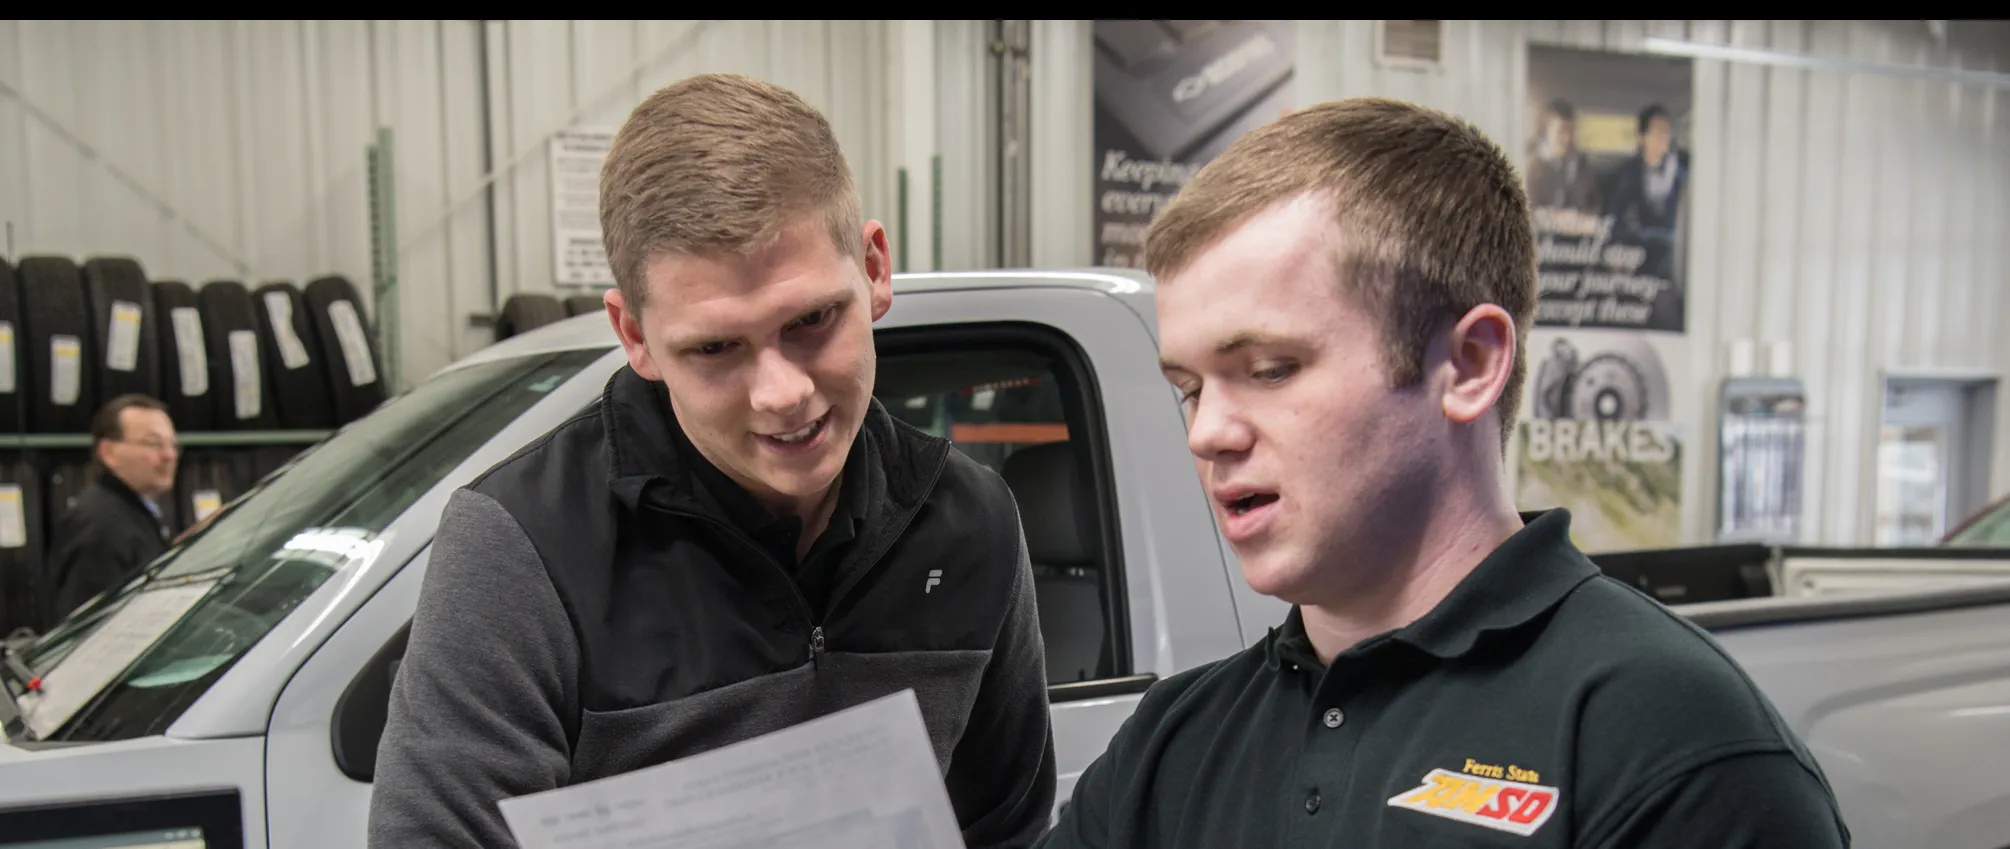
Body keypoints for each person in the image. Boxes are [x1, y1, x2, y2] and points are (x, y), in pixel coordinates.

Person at [1036, 98, 1848, 848]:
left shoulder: (1671, 745)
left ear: (1467, 365)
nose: (1207, 431)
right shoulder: (1171, 744)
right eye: (1189, 388)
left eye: (1271, 367)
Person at [367, 73, 1055, 848]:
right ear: (634, 336)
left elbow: (1009, 832)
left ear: (874, 267)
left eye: (812, 320)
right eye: (716, 348)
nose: (782, 393)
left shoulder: (971, 528)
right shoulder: (523, 549)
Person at [47, 394, 178, 623]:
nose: (169, 455)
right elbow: (89, 626)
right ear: (108, 452)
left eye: (172, 444)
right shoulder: (100, 525)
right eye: (154, 443)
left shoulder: (131, 512)